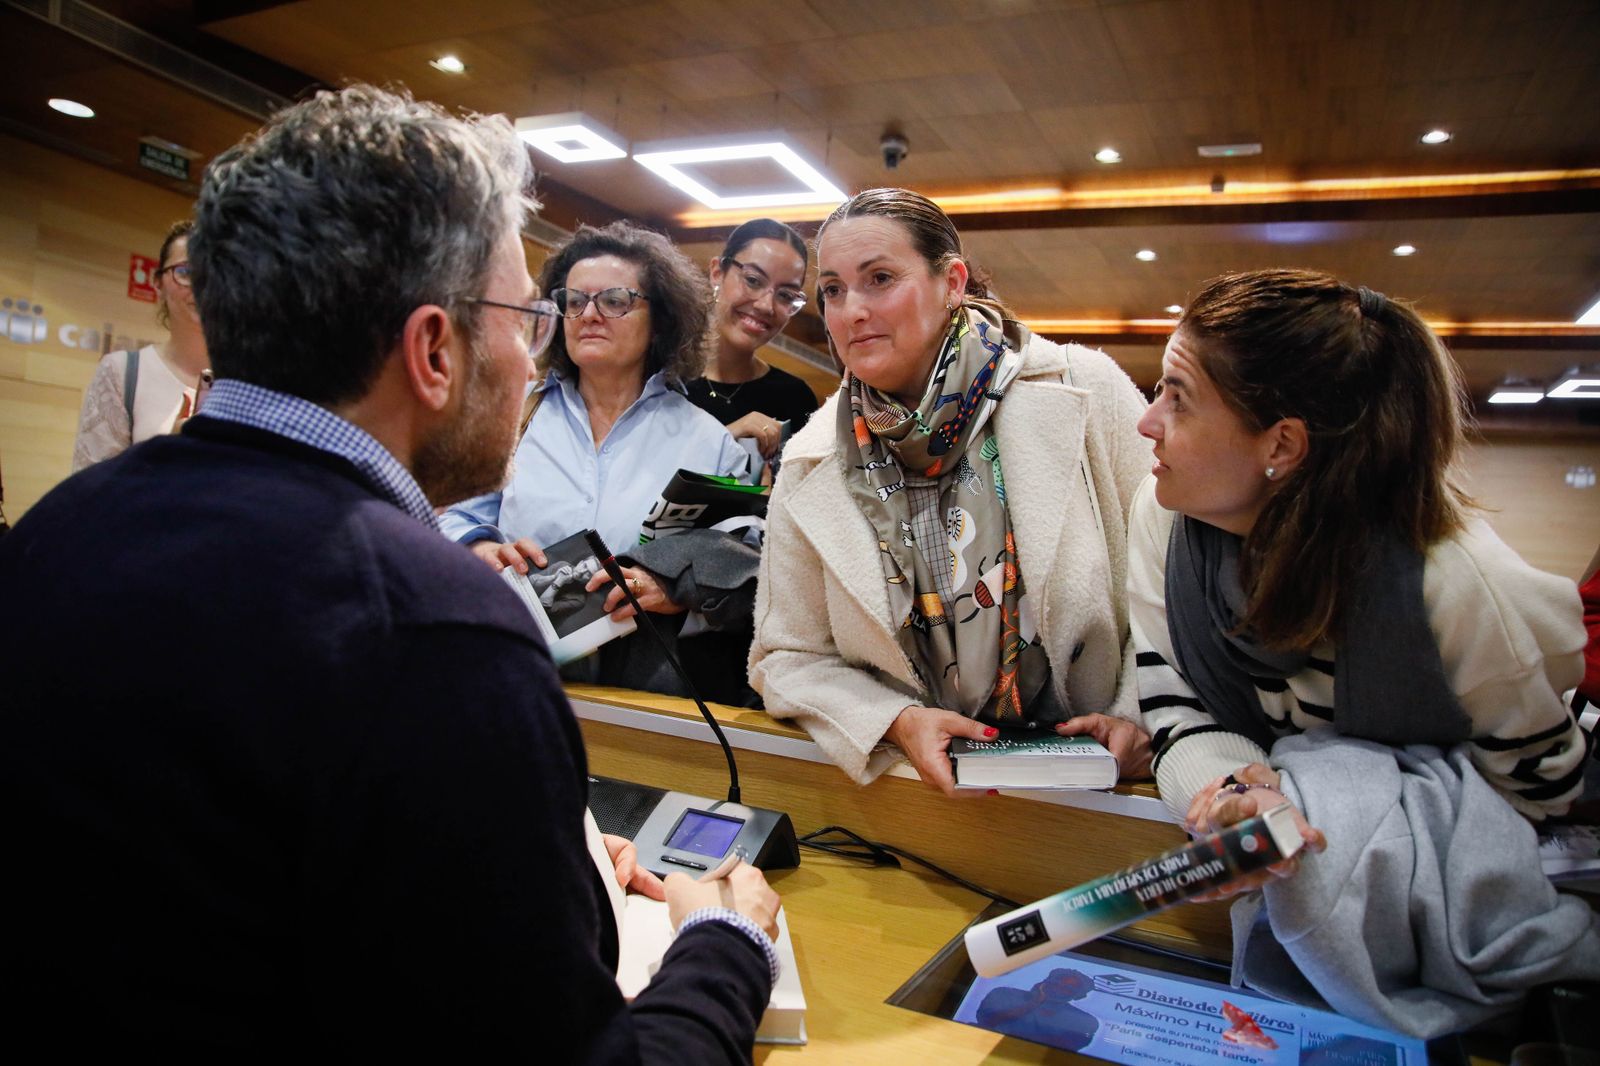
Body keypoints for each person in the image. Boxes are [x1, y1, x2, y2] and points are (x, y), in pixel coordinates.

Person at [0, 85, 780, 1060]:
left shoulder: (53, 535)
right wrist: (727, 944)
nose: (530, 360)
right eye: (525, 319)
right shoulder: (439, 635)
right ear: (433, 351)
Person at [1128, 269, 1597, 1035]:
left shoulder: (1460, 585)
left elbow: (1538, 794)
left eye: (1177, 397)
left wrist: (1341, 802)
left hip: (1447, 941)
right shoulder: (1162, 524)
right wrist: (1229, 798)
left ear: (1282, 444)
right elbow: (1178, 710)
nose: (1146, 422)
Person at [748, 187, 1152, 793]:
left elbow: (1172, 593)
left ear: (952, 283)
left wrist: (1137, 716)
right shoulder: (811, 457)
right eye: (832, 289)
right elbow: (786, 657)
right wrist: (897, 721)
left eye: (880, 279)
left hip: (1108, 789)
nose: (851, 310)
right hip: (924, 796)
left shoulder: (1086, 387)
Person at [442, 221, 758, 702]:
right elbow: (453, 516)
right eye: (573, 301)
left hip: (641, 696)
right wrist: (480, 548)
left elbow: (745, 567)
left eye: (614, 301)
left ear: (661, 319)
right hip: (507, 672)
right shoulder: (510, 411)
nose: (588, 314)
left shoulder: (708, 442)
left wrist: (671, 588)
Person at [685, 218, 821, 479]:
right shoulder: (661, 380)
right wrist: (726, 439)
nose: (765, 305)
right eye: (753, 280)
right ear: (717, 272)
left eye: (785, 295)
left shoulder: (794, 398)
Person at [72, 219, 211, 470]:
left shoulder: (250, 380)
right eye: (185, 272)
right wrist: (165, 457)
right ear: (158, 283)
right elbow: (92, 487)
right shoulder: (121, 373)